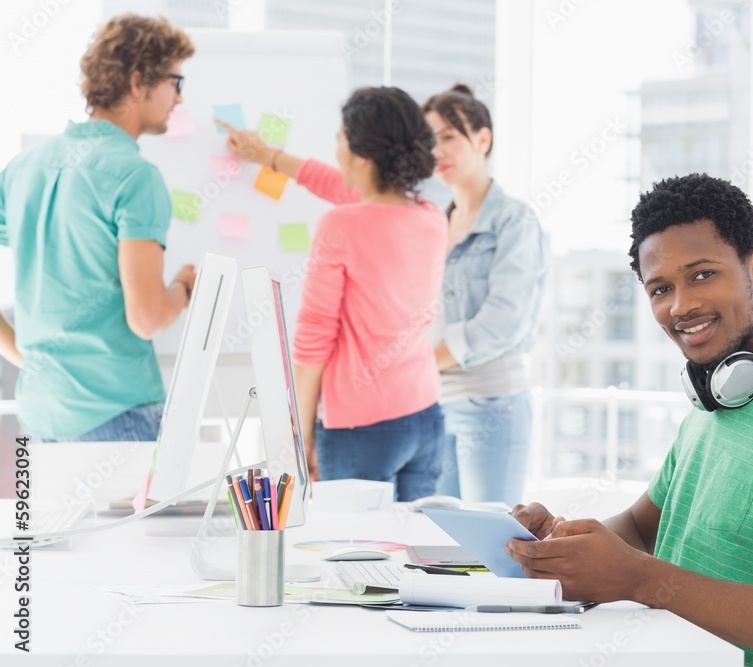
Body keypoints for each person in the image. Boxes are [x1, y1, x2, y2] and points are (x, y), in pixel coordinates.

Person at [508, 174, 753, 667]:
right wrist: (559, 545)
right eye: (661, 288)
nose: (681, 306)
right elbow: (641, 529)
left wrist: (640, 579)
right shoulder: (715, 404)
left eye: (703, 274)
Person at [218, 87, 447, 501]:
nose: (336, 150)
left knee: (352, 543)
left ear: (362, 157)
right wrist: (268, 156)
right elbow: (348, 189)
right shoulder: (430, 217)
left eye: (340, 139)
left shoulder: (340, 226)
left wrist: (299, 435)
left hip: (360, 429)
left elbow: (312, 342)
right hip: (424, 417)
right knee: (416, 542)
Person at [0, 14, 197, 442]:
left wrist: (30, 357)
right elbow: (147, 319)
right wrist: (183, 288)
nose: (179, 98)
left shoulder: (21, 169)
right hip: (116, 415)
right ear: (138, 82)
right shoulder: (134, 176)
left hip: (40, 411)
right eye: (175, 82)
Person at [421, 84, 548, 507]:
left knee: (488, 535)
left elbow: (503, 322)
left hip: (492, 402)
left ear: (482, 138)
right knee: (438, 534)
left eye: (448, 137)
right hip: (436, 402)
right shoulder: (434, 223)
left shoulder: (514, 221)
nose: (437, 150)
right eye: (430, 140)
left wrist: (421, 364)